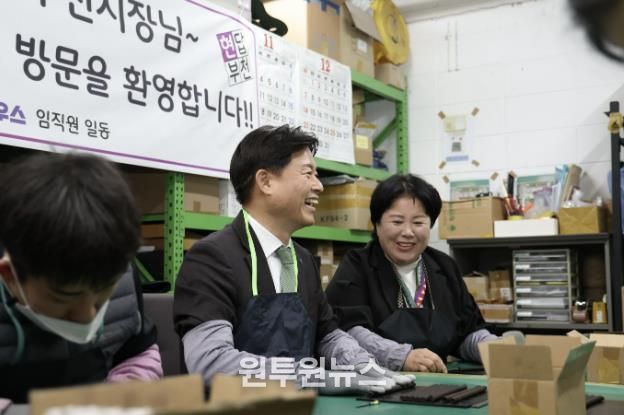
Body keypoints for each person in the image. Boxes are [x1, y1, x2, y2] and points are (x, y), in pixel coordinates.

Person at [173, 125, 412, 392]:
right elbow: (212, 363)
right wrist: (319, 378)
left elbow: (327, 335)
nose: (319, 186)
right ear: (265, 182)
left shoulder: (302, 260)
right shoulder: (211, 259)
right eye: (308, 173)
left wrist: (364, 364)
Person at [0, 152, 163, 403]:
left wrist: (122, 395)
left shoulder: (115, 266)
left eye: (101, 295)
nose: (88, 316)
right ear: (11, 275)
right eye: (65, 298)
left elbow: (136, 353)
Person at [325, 174, 497, 373]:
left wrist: (495, 349)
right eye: (397, 222)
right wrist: (400, 356)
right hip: (379, 380)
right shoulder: (357, 265)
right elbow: (348, 332)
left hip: (440, 381)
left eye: (418, 222)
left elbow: (467, 333)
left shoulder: (444, 266)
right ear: (377, 224)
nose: (408, 232)